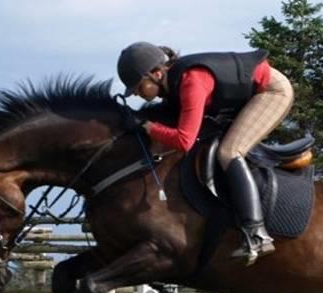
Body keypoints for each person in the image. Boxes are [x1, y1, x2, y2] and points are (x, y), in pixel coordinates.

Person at [116, 41, 294, 265]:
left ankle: (257, 233)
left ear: (157, 73)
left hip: (271, 91)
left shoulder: (192, 81)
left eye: (139, 87)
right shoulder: (174, 84)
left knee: (230, 152)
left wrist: (147, 127)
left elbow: (183, 140)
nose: (137, 94)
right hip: (249, 94)